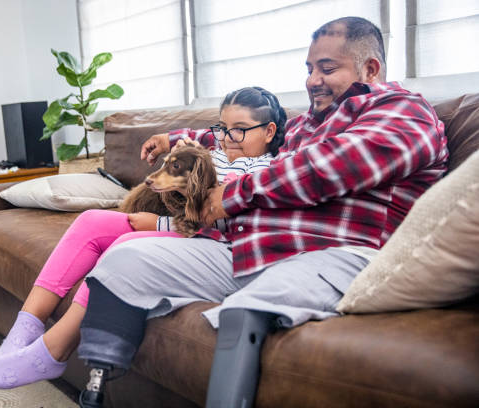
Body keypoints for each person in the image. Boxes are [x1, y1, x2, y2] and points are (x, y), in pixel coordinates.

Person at [74, 16, 449, 408]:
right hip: (252, 249)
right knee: (125, 258)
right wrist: (176, 137)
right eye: (309, 69)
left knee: (247, 306)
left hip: (338, 254)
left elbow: (332, 165)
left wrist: (234, 194)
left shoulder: (404, 110)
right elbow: (249, 135)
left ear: (370, 68)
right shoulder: (309, 123)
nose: (312, 80)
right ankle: (98, 389)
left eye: (327, 68)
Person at [0, 86, 288, 389]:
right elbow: (203, 139)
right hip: (174, 224)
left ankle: (54, 351)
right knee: (91, 221)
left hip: (209, 243)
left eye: (240, 129)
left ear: (270, 132)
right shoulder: (219, 147)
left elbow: (231, 225)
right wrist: (171, 145)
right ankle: (24, 328)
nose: (228, 138)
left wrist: (160, 224)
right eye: (223, 128)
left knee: (126, 246)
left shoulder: (266, 171)